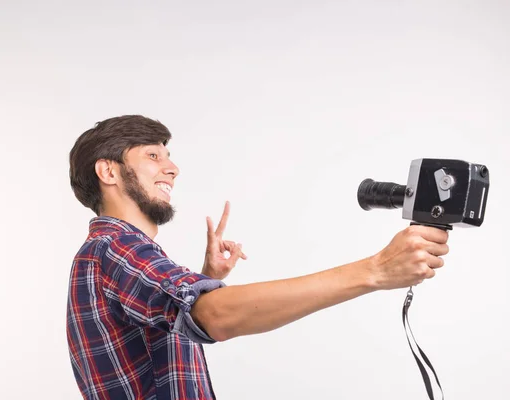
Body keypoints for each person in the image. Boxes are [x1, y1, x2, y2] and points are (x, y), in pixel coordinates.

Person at [66, 115, 449, 400]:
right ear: (108, 171)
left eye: (169, 156)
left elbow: (159, 345)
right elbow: (216, 317)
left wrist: (204, 279)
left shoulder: (109, 254)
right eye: (153, 155)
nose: (173, 168)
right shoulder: (116, 249)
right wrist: (377, 270)